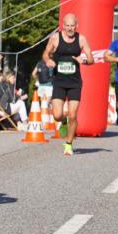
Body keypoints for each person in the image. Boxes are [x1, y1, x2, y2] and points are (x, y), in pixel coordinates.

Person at [42, 13, 94, 156]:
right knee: (57, 115)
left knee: (73, 115)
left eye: (72, 26)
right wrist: (48, 61)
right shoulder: (55, 38)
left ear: (76, 26)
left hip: (75, 83)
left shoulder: (81, 39)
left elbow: (91, 59)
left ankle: (69, 144)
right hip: (59, 82)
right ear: (63, 26)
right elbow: (45, 54)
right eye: (67, 26)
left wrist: (83, 60)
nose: (70, 29)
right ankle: (63, 122)